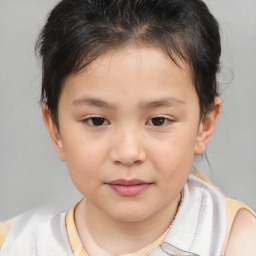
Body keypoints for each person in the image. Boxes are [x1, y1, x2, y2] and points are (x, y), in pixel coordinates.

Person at [0, 0, 255, 255]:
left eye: (158, 120)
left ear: (205, 125)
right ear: (56, 130)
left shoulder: (236, 242)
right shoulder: (18, 244)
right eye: (97, 120)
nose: (128, 153)